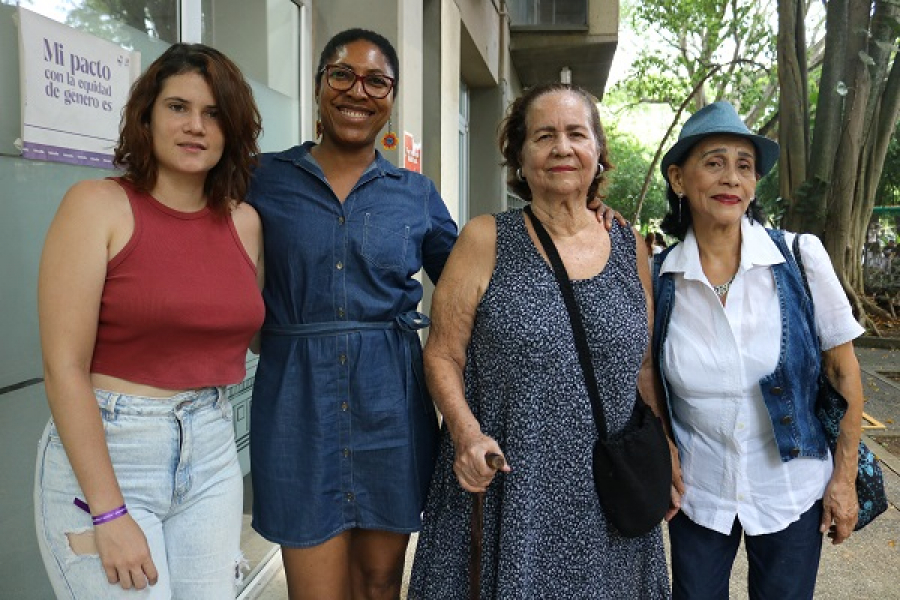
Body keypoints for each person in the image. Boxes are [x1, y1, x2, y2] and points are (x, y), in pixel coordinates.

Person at [408, 82, 670, 599]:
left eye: (576, 134)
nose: (561, 148)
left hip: (607, 492)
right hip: (508, 484)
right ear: (520, 159)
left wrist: (665, 448)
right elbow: (442, 352)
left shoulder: (629, 246)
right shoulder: (485, 238)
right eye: (544, 136)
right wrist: (465, 434)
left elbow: (642, 367)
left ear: (598, 152)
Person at [34, 43, 264, 599]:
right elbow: (63, 368)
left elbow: (253, 330)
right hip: (111, 452)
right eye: (177, 107)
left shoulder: (246, 222)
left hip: (211, 450)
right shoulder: (96, 205)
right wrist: (109, 513)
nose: (195, 126)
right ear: (147, 116)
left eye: (213, 114)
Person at [245, 29, 457, 600]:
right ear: (319, 85)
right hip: (296, 403)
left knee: (380, 582)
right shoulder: (261, 179)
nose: (357, 91)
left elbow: (469, 282)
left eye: (376, 81)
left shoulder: (414, 192)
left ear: (391, 96)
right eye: (342, 74)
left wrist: (570, 218)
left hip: (390, 402)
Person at [652, 101, 864, 599]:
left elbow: (843, 373)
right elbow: (646, 377)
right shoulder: (658, 277)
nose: (731, 178)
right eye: (714, 162)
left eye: (744, 166)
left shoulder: (800, 257)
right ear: (678, 179)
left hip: (791, 492)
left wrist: (845, 478)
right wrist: (663, 448)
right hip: (699, 494)